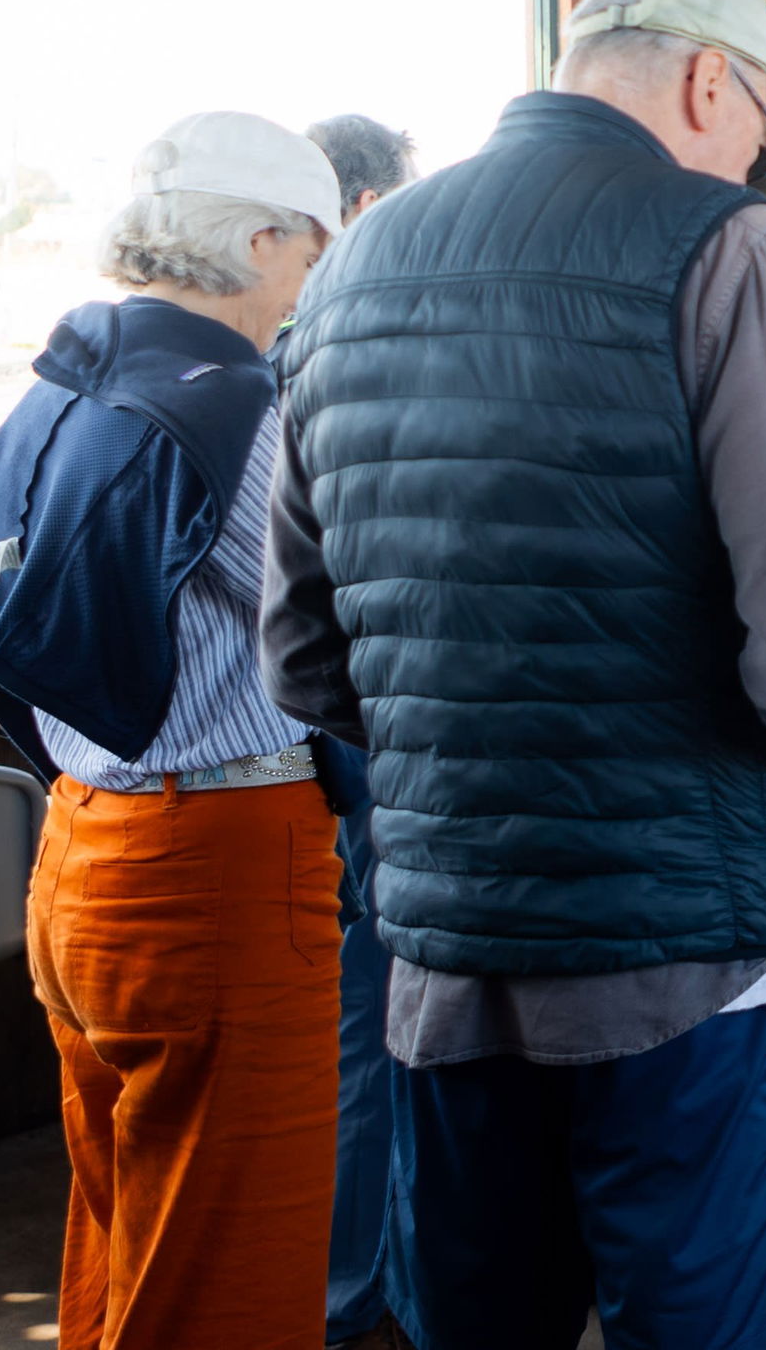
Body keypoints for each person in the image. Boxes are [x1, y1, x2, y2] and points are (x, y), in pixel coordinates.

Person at [261, 0, 766, 1350]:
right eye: (759, 135)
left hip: (442, 961)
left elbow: (304, 663)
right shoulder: (724, 244)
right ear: (704, 81)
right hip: (695, 963)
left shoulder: (351, 266)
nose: (755, 167)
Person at [0, 111, 347, 1350]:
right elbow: (345, 618)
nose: (312, 281)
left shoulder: (64, 385)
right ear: (260, 237)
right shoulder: (242, 405)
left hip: (81, 854)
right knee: (231, 1274)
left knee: (130, 1240)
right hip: (221, 863)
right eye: (313, 252)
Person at [298, 115, 418, 1350]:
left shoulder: (293, 351)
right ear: (370, 200)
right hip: (368, 752)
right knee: (378, 1033)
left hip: (331, 748)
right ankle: (360, 1302)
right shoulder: (334, 349)